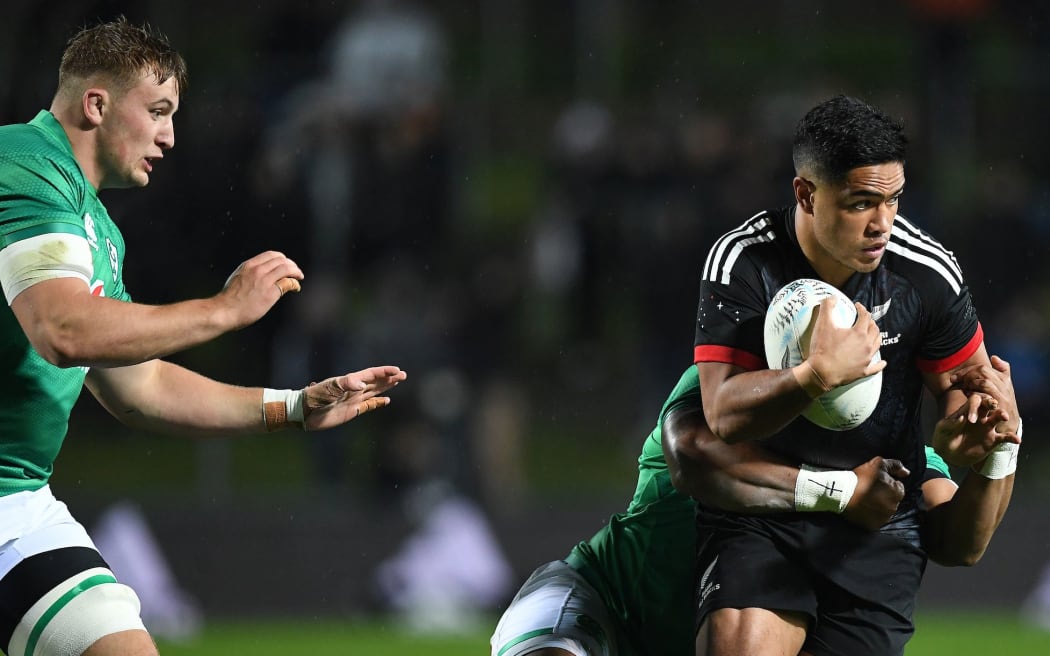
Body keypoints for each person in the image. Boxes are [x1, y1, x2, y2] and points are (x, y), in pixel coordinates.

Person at [0, 18, 407, 656]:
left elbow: (142, 385)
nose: (168, 135)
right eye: (158, 111)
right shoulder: (19, 161)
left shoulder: (98, 227)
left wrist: (294, 407)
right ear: (97, 103)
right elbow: (62, 328)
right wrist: (222, 311)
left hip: (16, 503)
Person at [684, 94, 1020, 656]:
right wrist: (814, 376)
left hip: (877, 522)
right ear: (805, 194)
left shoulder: (926, 273)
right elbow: (722, 413)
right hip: (767, 511)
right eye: (861, 203)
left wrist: (989, 439)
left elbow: (973, 411)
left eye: (894, 200)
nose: (882, 223)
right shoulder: (744, 260)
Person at [489, 360, 1016, 656]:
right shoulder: (723, 392)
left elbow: (958, 540)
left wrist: (1003, 448)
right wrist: (839, 492)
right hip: (601, 606)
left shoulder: (893, 456)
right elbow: (694, 460)